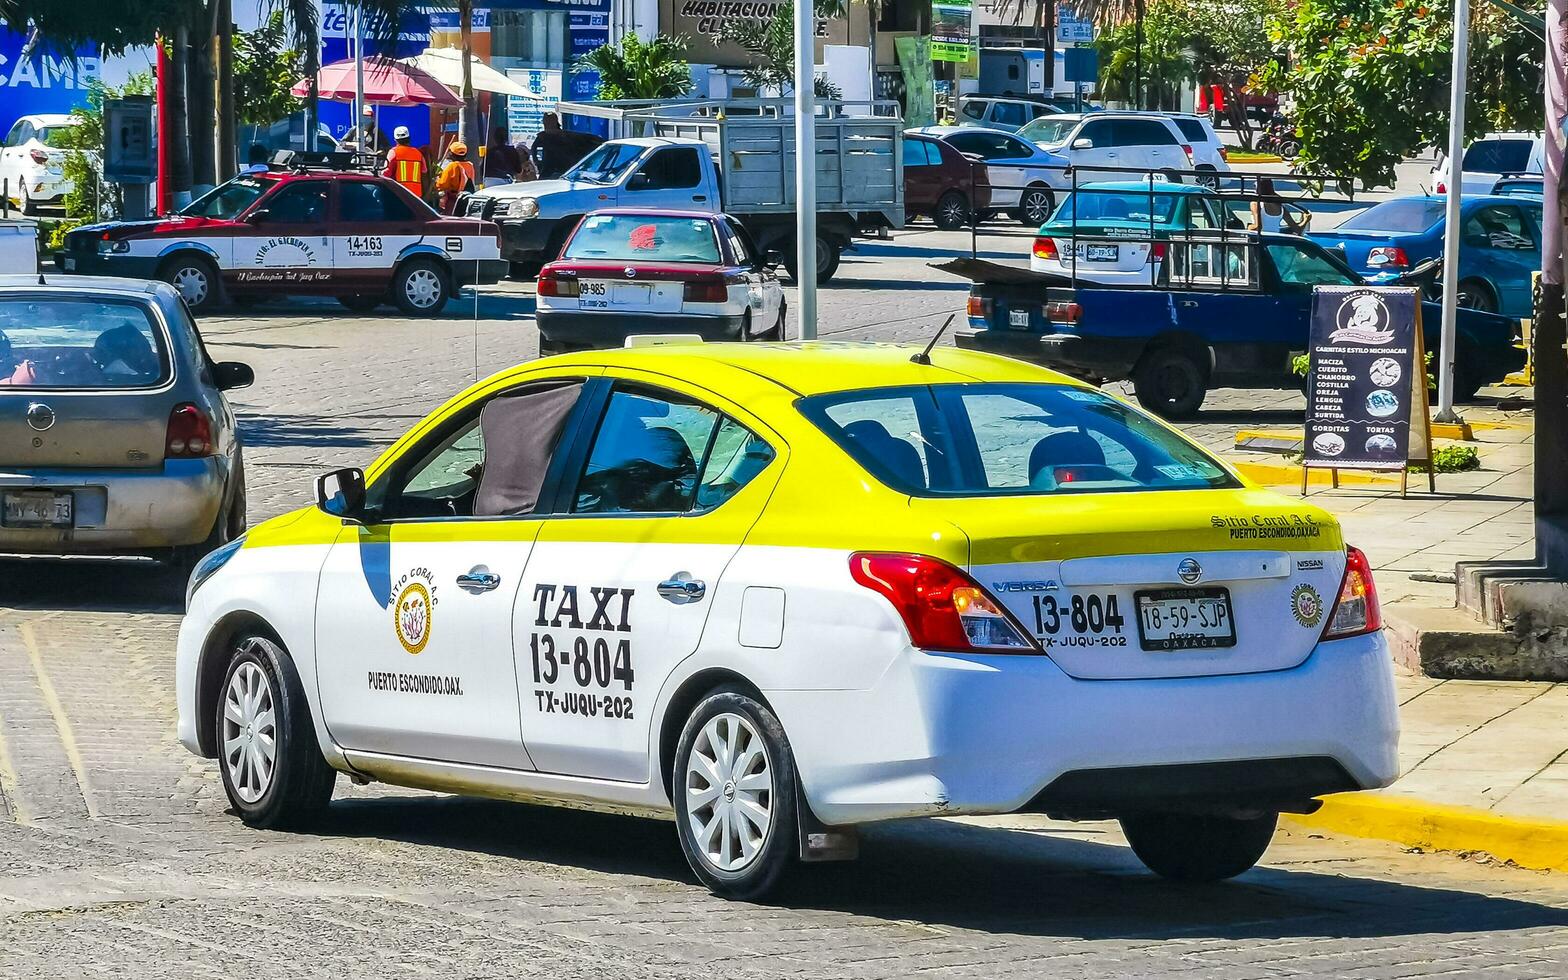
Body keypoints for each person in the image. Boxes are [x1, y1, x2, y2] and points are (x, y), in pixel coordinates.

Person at [383, 126, 428, 200]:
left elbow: (386, 172)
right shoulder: (418, 153)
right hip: (416, 194)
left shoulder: (394, 152)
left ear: (395, 140)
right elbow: (424, 170)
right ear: (409, 139)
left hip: (399, 192)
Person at [436, 141, 476, 214]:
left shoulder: (452, 166)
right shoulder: (470, 165)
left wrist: (436, 182)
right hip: (467, 197)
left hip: (454, 199)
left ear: (451, 154)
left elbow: (442, 184)